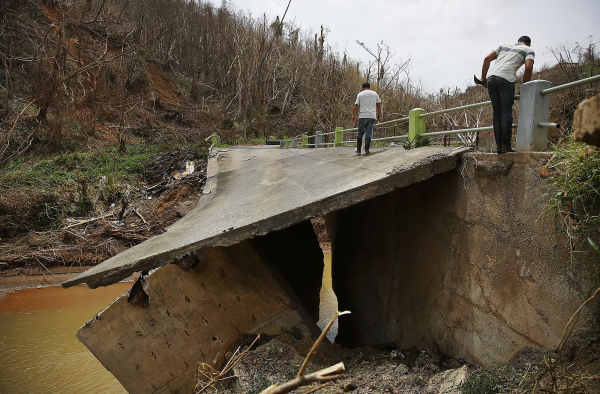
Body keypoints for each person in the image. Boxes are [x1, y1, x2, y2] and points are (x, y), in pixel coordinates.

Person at [480, 36, 535, 153]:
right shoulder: (528, 50)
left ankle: (499, 147)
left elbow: (486, 59)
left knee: (497, 112)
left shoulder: (503, 46)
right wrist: (524, 86)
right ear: (528, 44)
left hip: (491, 78)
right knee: (506, 111)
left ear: (518, 41)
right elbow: (529, 68)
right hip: (505, 79)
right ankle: (506, 146)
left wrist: (483, 79)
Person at [352, 82, 382, 154]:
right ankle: (367, 150)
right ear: (369, 87)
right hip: (372, 116)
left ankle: (358, 150)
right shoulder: (374, 94)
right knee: (368, 133)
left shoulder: (360, 94)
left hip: (362, 115)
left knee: (360, 132)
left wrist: (353, 115)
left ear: (362, 88)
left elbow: (356, 105)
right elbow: (378, 104)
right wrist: (379, 114)